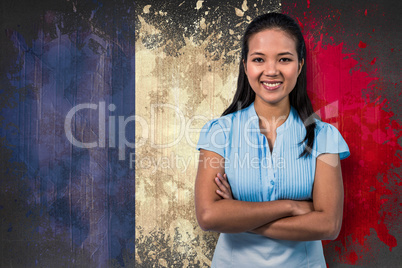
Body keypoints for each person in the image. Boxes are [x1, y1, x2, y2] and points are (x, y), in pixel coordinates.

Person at [194, 12, 350, 267]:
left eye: (284, 59)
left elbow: (328, 225)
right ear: (245, 66)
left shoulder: (324, 137)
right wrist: (290, 207)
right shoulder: (219, 132)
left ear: (300, 65)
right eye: (259, 59)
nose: (271, 71)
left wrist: (239, 216)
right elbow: (209, 216)